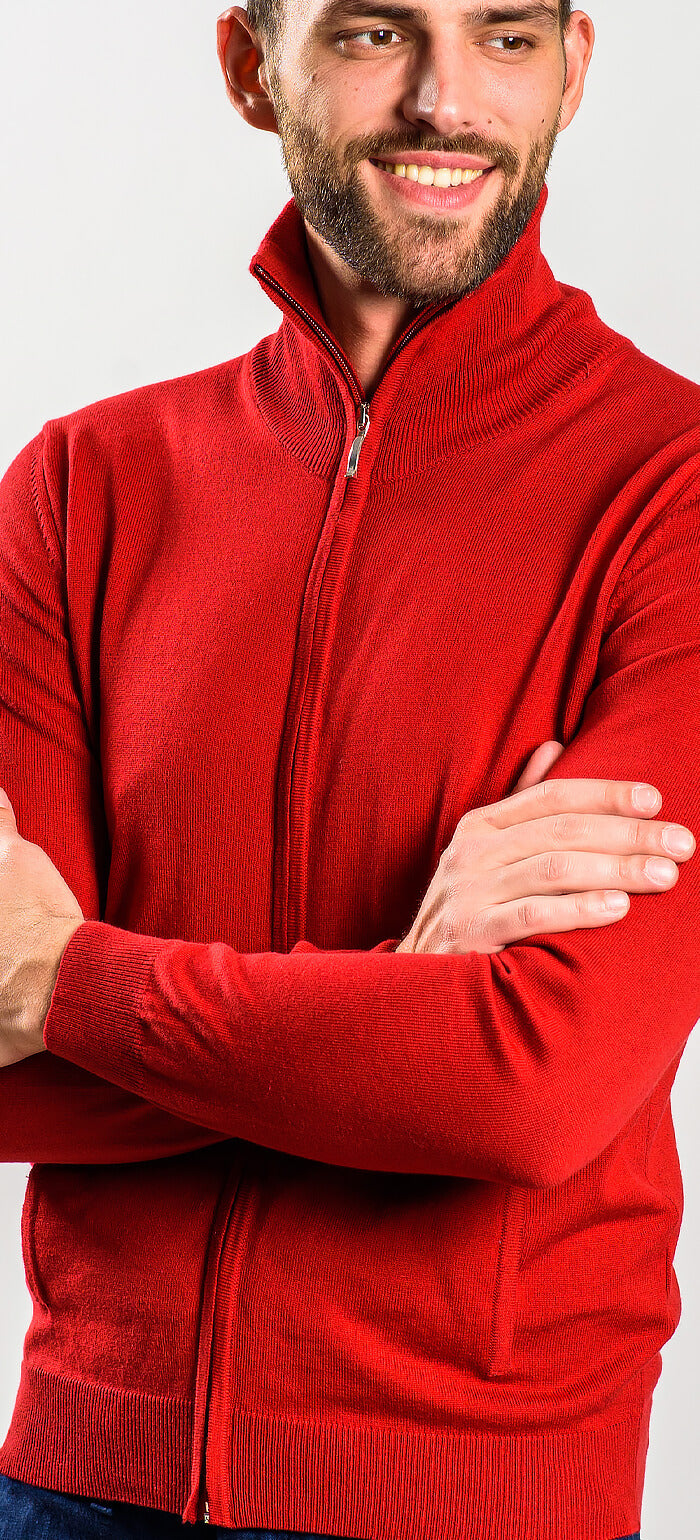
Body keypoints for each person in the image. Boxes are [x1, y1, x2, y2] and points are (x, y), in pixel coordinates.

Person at [0, 0, 697, 1535]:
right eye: (376, 34)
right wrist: (401, 991)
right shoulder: (79, 491)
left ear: (575, 70)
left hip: (475, 1498)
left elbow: (530, 1084)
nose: (447, 102)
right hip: (75, 1481)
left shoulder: (674, 494)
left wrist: (76, 983)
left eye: (507, 38)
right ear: (256, 66)